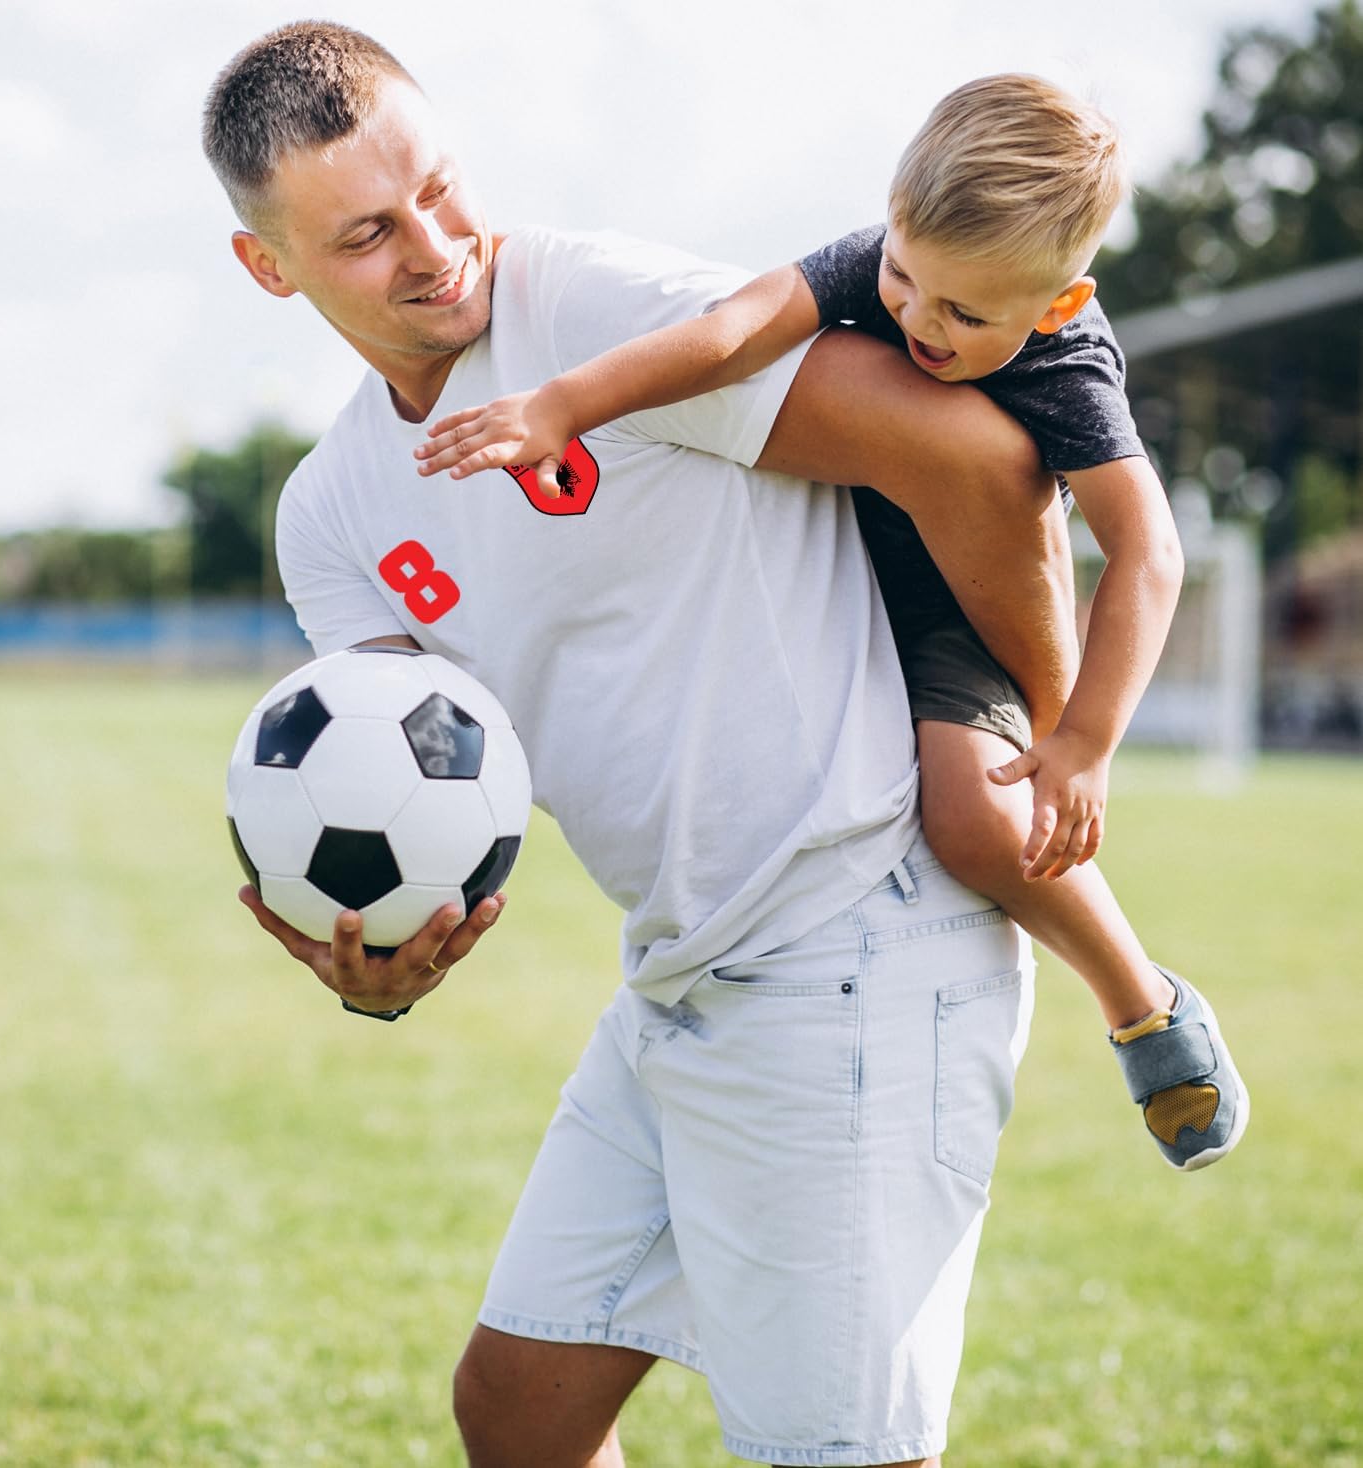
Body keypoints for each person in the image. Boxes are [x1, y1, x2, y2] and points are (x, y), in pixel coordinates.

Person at [205, 24, 1078, 1468]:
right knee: (520, 1414)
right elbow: (410, 781)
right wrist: (382, 956)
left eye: (438, 187)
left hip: (857, 941)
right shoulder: (334, 514)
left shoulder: (593, 309)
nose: (434, 247)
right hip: (684, 971)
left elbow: (975, 458)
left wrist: (1050, 725)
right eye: (366, 234)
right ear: (271, 267)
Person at [414, 74, 1248, 1174]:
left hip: (948, 628)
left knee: (973, 816)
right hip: (821, 583)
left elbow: (1149, 549)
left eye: (963, 313)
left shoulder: (1067, 360)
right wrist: (563, 404)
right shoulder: (880, 261)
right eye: (904, 279)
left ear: (1052, 304)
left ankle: (1140, 1000)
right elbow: (731, 329)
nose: (916, 320)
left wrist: (1085, 743)